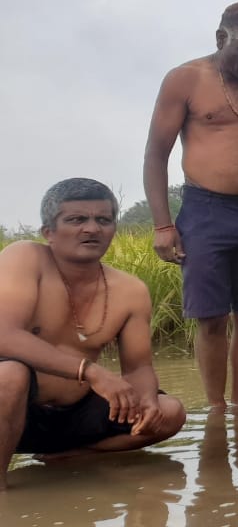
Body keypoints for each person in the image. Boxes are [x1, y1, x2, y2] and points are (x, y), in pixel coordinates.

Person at [142, 1, 238, 408]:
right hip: (205, 210)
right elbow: (156, 154)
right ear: (221, 38)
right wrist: (162, 225)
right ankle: (215, 408)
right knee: (209, 317)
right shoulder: (185, 80)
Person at [0, 179, 186, 490]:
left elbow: (138, 368)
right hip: (15, 410)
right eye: (76, 220)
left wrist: (149, 399)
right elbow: (5, 334)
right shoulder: (25, 257)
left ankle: (69, 457)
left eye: (103, 220)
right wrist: (89, 371)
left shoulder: (130, 290)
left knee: (170, 412)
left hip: (76, 417)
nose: (91, 229)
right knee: (9, 375)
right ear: (49, 232)